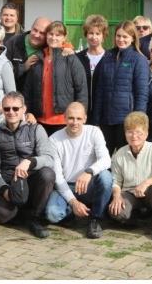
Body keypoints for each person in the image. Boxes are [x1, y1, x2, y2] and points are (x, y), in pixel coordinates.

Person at [0, 91, 55, 237]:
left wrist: (30, 162)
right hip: (9, 184)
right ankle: (19, 214)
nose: (11, 112)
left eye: (16, 108)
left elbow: (49, 158)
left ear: (24, 109)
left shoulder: (36, 129)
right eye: (7, 109)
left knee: (48, 174)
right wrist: (4, 190)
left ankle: (35, 218)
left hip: (31, 180)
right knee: (0, 213)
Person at [46, 101, 112, 238]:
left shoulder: (94, 132)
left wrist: (89, 172)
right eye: (70, 118)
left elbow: (106, 160)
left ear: (85, 119)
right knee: (52, 214)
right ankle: (72, 210)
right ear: (64, 118)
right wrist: (73, 202)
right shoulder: (54, 140)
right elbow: (58, 177)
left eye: (78, 118)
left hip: (89, 184)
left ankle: (96, 219)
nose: (74, 122)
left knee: (106, 177)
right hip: (67, 185)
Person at [108, 110, 152, 240]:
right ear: (125, 134)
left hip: (151, 192)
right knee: (116, 212)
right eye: (130, 132)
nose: (134, 136)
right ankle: (135, 218)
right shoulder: (119, 154)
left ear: (146, 134)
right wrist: (116, 196)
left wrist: (147, 183)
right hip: (130, 193)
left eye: (139, 132)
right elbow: (116, 180)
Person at [23, 21, 88, 135]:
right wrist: (28, 112)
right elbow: (28, 90)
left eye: (58, 35)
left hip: (63, 121)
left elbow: (81, 90)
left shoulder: (70, 59)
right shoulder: (37, 58)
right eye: (51, 34)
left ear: (64, 37)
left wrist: (79, 117)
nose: (54, 38)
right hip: (39, 121)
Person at [92, 19, 148, 151]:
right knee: (104, 160)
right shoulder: (107, 57)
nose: (121, 39)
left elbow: (142, 94)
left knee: (126, 160)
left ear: (133, 38)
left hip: (126, 122)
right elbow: (99, 91)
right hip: (106, 120)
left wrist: (137, 122)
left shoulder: (139, 59)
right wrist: (96, 121)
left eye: (125, 36)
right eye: (118, 36)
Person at [75, 14, 108, 117]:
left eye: (98, 33)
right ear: (86, 34)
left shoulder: (110, 58)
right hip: (82, 111)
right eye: (91, 33)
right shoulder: (78, 58)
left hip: (104, 111)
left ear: (103, 36)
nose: (94, 37)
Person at [8, 15, 49, 88]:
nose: (37, 35)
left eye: (42, 33)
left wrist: (67, 48)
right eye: (35, 30)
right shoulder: (14, 42)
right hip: (15, 95)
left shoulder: (49, 48)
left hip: (37, 96)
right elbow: (1, 72)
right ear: (31, 28)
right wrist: (23, 67)